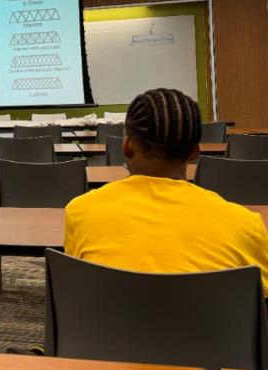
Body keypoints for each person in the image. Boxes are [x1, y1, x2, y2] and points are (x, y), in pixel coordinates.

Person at [65, 88, 268, 297]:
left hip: (102, 329)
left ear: (126, 147)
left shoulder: (79, 212)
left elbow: (74, 290)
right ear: (194, 153)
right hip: (209, 329)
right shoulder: (247, 225)